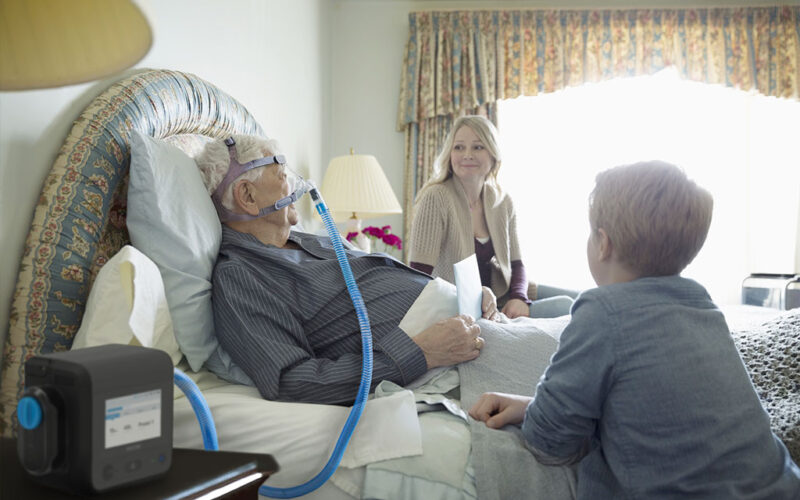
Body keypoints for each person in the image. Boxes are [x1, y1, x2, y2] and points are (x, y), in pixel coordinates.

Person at [468, 161, 800, 498]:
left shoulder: (599, 312)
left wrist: (539, 416)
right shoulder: (702, 303)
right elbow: (650, 400)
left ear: (602, 243)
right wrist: (532, 405)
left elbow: (550, 440)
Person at [195, 134, 499, 405]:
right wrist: (421, 352)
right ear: (248, 196)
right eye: (282, 174)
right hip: (453, 362)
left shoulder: (310, 241)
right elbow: (294, 381)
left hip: (473, 329)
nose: (297, 184)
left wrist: (469, 296)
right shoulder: (240, 276)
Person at [407, 115, 574, 319]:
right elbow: (418, 277)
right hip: (464, 304)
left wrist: (519, 298)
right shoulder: (436, 197)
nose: (467, 154)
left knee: (581, 299)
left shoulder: (503, 201)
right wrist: (476, 298)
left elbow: (516, 264)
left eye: (478, 147)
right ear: (450, 154)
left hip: (502, 294)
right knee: (566, 308)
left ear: (494, 155)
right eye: (459, 147)